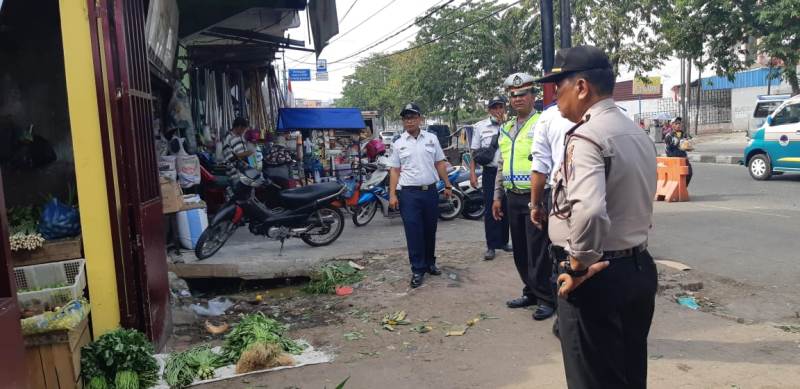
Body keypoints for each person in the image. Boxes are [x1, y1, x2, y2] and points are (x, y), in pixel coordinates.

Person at [536, 45, 657, 389]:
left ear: (583, 87)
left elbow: (588, 211)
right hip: (637, 268)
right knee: (628, 374)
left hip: (596, 276)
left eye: (559, 85)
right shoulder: (636, 133)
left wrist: (577, 266)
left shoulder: (587, 136)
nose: (555, 95)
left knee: (593, 379)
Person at [491, 72, 556, 321]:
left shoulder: (542, 122)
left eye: (523, 94)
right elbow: (501, 165)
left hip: (535, 196)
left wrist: (539, 200)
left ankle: (546, 298)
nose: (518, 99)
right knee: (519, 249)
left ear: (533, 96)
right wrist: (497, 196)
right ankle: (530, 290)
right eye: (513, 95)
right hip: (512, 196)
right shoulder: (506, 129)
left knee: (539, 249)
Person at [387, 103, 454, 288]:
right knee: (414, 231)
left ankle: (430, 263)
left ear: (420, 119)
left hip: (430, 192)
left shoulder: (431, 139)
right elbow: (394, 170)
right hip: (408, 194)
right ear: (403, 121)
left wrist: (447, 184)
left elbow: (440, 163)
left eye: (413, 117)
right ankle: (417, 269)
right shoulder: (398, 143)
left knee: (429, 229)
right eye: (406, 118)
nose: (409, 121)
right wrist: (392, 195)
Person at [529, 101, 576, 334]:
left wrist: (535, 204)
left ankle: (565, 320)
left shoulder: (548, 118)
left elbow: (540, 167)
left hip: (563, 197)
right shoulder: (618, 115)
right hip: (604, 195)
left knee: (563, 258)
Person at [470, 96, 512, 260]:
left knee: (506, 207)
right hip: (490, 172)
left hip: (508, 172)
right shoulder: (480, 127)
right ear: (489, 110)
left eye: (500, 107)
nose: (498, 111)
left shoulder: (512, 125)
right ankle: (491, 245)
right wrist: (473, 173)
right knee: (490, 209)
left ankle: (503, 241)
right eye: (494, 107)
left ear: (504, 108)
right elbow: (474, 152)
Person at [664, 117, 693, 185]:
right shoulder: (669, 136)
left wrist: (689, 146)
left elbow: (690, 143)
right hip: (674, 160)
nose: (678, 125)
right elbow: (667, 150)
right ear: (672, 125)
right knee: (676, 177)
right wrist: (677, 144)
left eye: (679, 123)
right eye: (676, 123)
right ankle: (678, 190)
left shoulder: (684, 134)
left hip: (683, 158)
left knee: (689, 173)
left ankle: (683, 188)